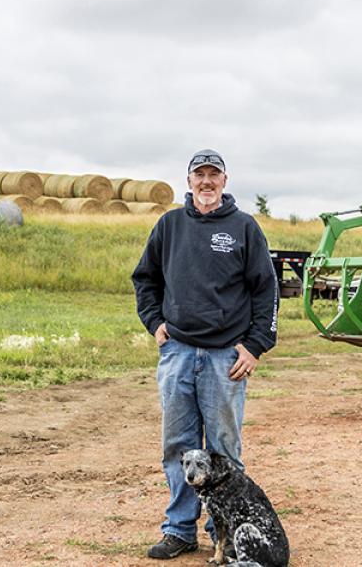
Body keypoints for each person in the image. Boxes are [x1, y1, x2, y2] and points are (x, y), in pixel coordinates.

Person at [131, 148, 279, 560]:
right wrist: (154, 322)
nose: (207, 182)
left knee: (223, 449)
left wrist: (254, 345)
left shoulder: (244, 228)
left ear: (225, 181)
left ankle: (224, 533)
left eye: (214, 174)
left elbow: (266, 290)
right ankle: (179, 530)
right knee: (177, 446)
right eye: (200, 174)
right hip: (177, 352)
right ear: (189, 180)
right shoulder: (169, 226)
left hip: (224, 358)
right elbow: (145, 279)